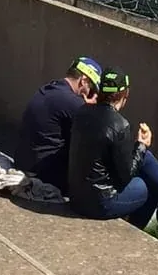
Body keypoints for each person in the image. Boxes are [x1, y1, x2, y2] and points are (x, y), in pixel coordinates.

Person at [66, 69, 158, 231]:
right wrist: (142, 145)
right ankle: (139, 229)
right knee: (150, 183)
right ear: (124, 95)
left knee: (145, 161)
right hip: (100, 204)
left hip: (77, 199)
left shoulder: (82, 112)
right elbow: (125, 177)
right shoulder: (119, 124)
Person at [14, 56, 101, 187]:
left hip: (22, 162)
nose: (90, 93)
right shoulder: (74, 103)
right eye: (92, 89)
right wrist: (90, 110)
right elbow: (98, 133)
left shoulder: (50, 88)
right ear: (83, 81)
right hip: (44, 173)